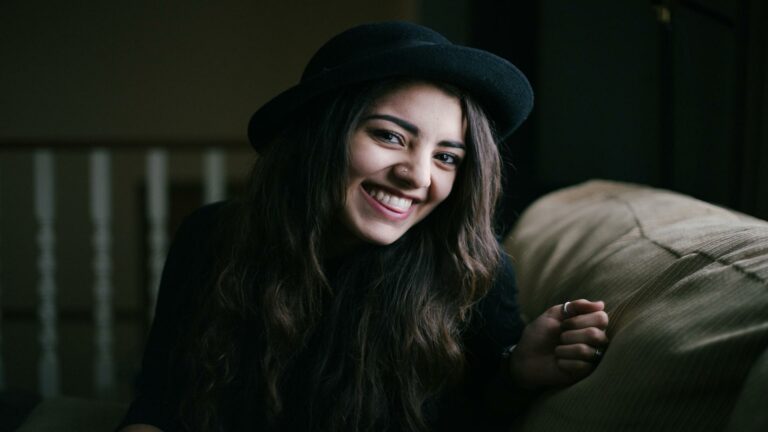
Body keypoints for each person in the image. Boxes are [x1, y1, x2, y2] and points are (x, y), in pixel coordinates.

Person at [118, 21, 609, 432]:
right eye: (390, 136)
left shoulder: (471, 269)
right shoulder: (212, 238)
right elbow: (161, 398)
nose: (417, 176)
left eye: (446, 157)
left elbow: (477, 413)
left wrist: (517, 372)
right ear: (321, 133)